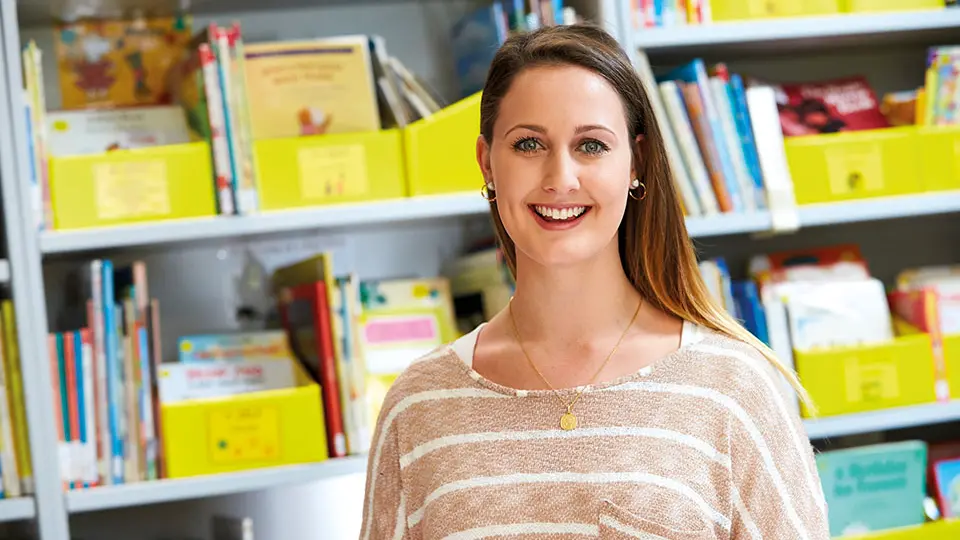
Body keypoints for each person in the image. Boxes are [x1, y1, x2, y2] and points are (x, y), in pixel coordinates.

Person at [360, 23, 829, 540]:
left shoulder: (734, 389)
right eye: (529, 143)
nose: (560, 177)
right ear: (486, 163)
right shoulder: (418, 404)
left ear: (637, 162)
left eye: (591, 146)